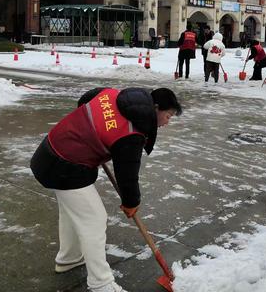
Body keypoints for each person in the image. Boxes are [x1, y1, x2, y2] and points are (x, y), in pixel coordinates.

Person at [30, 87, 182, 292]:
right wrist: (131, 203)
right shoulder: (131, 133)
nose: (167, 122)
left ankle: (69, 258)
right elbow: (127, 175)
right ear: (155, 108)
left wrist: (94, 131)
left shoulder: (113, 94)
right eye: (168, 115)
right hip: (64, 165)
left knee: (72, 213)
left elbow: (84, 100)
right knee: (94, 219)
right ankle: (101, 284)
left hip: (51, 151)